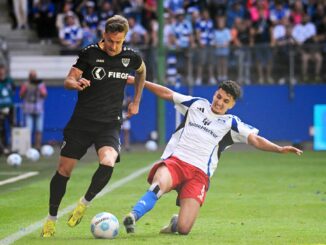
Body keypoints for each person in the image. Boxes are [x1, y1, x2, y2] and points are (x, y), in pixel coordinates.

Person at [122, 77, 302, 235]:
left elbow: (255, 140)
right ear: (214, 94)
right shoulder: (196, 104)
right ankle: (133, 215)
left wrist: (278, 149)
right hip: (176, 163)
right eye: (218, 97)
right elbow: (167, 93)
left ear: (231, 104)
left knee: (184, 229)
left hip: (198, 176)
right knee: (158, 185)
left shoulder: (230, 123)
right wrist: (140, 82)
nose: (220, 102)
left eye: (226, 100)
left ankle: (175, 223)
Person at [41, 15, 146, 237]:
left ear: (125, 38)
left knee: (108, 162)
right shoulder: (89, 53)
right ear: (104, 36)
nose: (114, 46)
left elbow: (142, 71)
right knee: (64, 171)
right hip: (81, 123)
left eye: (118, 42)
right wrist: (76, 83)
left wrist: (136, 101)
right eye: (110, 41)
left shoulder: (131, 57)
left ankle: (84, 203)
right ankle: (51, 219)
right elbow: (69, 79)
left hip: (109, 124)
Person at [19, 69, 47, 150]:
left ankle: (37, 146)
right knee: (29, 129)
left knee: (39, 129)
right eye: (32, 76)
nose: (33, 78)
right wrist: (26, 89)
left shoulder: (41, 84)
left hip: (39, 109)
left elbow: (45, 95)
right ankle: (28, 146)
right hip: (28, 109)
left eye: (34, 76)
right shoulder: (25, 84)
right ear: (29, 77)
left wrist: (39, 87)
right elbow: (21, 95)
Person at [0, 64, 15, 155]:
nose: (1, 71)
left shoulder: (9, 81)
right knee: (1, 129)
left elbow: (13, 90)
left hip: (10, 107)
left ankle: (13, 146)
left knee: (12, 127)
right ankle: (3, 147)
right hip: (0, 108)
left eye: (2, 69)